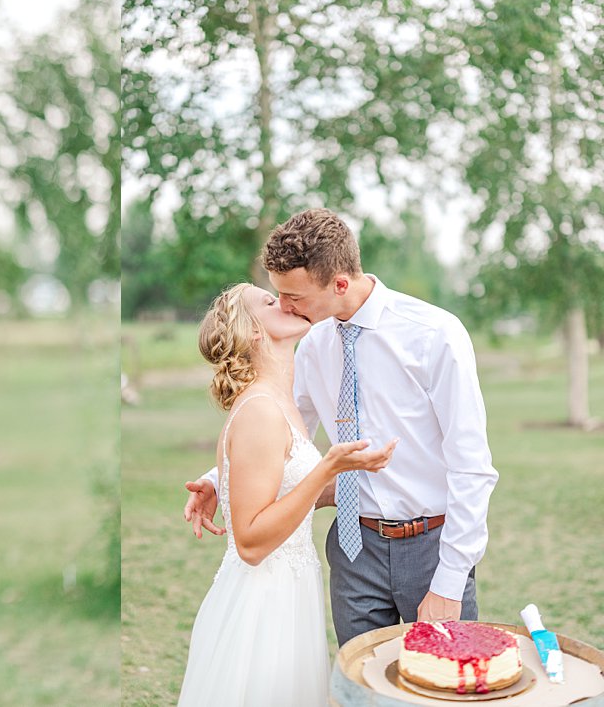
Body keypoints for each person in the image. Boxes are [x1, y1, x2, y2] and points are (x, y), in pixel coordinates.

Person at [182, 208, 498, 645]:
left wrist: (449, 580)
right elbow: (290, 437)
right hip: (353, 551)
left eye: (294, 296)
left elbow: (472, 467)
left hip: (432, 547)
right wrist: (220, 479)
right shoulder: (310, 344)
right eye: (278, 295)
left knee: (442, 685)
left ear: (340, 284)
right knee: (360, 687)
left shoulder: (435, 336)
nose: (285, 307)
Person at [174, 282, 392, 705]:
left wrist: (357, 474)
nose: (286, 302)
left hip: (291, 591)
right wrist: (328, 466)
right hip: (262, 604)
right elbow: (251, 543)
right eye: (271, 301)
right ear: (254, 331)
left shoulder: (281, 400)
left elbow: (290, 490)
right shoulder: (260, 410)